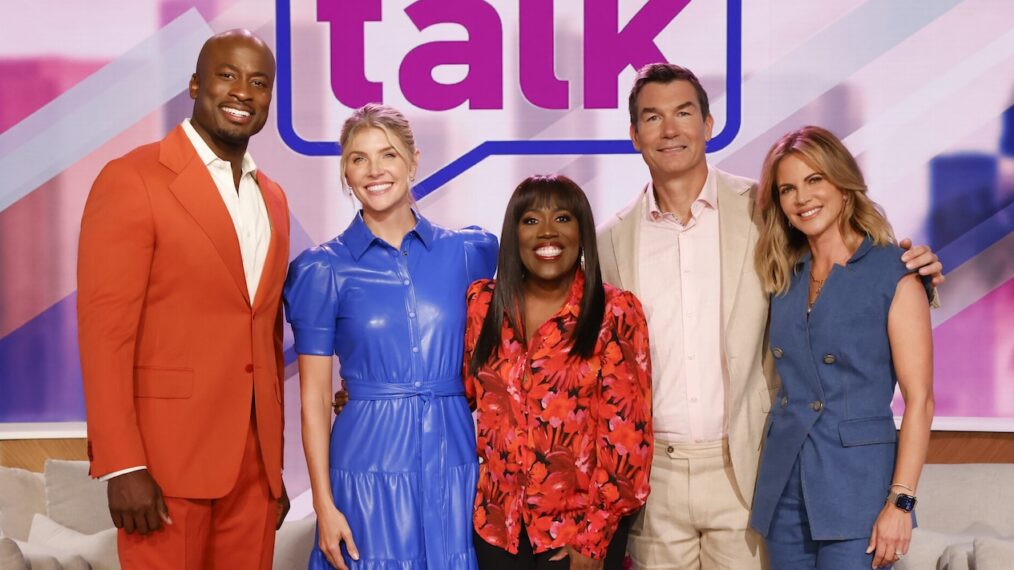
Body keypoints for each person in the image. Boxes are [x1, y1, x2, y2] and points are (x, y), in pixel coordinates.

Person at [595, 63, 944, 569]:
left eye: (684, 113)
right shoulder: (610, 241)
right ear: (634, 134)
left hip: (747, 468)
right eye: (653, 117)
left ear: (709, 123)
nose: (670, 130)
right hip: (662, 478)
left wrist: (916, 270)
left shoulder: (760, 211)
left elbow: (856, 264)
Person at [77, 29, 290, 568]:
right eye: (227, 75)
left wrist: (273, 470)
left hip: (254, 470)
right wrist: (122, 465)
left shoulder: (274, 198)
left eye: (258, 83)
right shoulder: (133, 179)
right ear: (195, 84)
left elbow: (260, 334)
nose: (243, 92)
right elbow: (105, 335)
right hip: (164, 467)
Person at [284, 103, 497, 570]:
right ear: (345, 171)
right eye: (358, 159)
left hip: (453, 454)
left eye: (388, 155)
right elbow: (316, 399)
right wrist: (323, 504)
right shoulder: (323, 270)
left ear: (414, 160)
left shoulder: (472, 252)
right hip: (367, 463)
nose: (375, 170)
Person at [748, 126, 934, 569]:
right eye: (787, 188)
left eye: (815, 180)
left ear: (843, 184)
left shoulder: (895, 271)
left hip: (859, 491)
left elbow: (920, 400)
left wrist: (901, 502)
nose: (802, 198)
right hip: (785, 490)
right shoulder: (784, 274)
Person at [464, 174, 654, 570]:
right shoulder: (483, 304)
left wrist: (593, 539)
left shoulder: (614, 312)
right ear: (513, 234)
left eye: (563, 219)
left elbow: (630, 442)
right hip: (498, 531)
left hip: (577, 540)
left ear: (583, 232)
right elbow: (462, 392)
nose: (547, 232)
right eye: (530, 220)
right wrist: (373, 396)